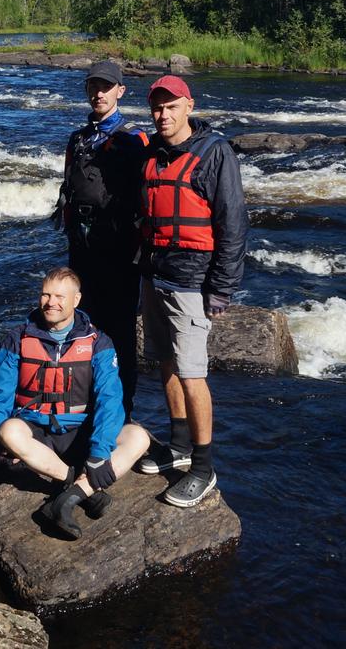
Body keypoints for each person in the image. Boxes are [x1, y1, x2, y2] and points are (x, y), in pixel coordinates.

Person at [134, 75, 247, 508]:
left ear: (189, 106)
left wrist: (222, 288)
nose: (163, 115)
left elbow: (233, 223)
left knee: (192, 373)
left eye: (171, 107)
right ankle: (179, 446)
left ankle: (204, 467)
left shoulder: (215, 153)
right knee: (164, 361)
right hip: (155, 274)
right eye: (157, 108)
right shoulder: (152, 153)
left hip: (193, 283)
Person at [0, 268, 150, 539]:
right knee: (8, 431)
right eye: (46, 294)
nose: (51, 302)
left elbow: (110, 399)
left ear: (76, 300)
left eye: (60, 296)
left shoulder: (98, 342)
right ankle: (77, 483)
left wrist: (98, 452)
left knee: (139, 438)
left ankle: (68, 499)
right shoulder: (18, 338)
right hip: (36, 431)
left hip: (81, 431)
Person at [54, 60, 150, 418]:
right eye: (93, 86)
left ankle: (122, 410)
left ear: (120, 91)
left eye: (106, 86)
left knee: (120, 330)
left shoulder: (134, 138)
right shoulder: (78, 139)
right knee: (85, 324)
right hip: (82, 246)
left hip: (119, 248)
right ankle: (88, 401)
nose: (98, 92)